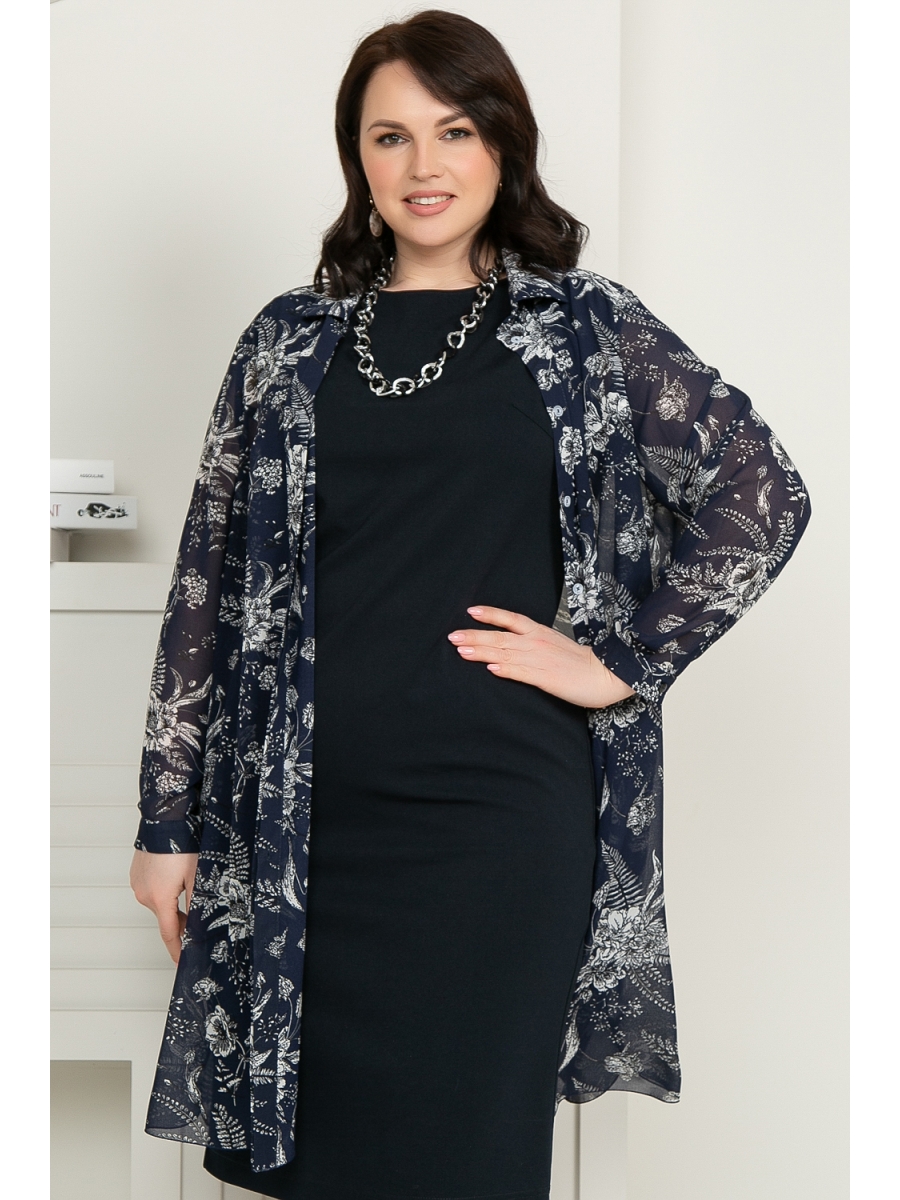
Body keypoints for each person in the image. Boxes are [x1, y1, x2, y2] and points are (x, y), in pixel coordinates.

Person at [129, 10, 810, 1199]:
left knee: (469, 1163)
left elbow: (762, 490)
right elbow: (206, 582)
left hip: (496, 826)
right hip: (302, 830)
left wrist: (624, 660)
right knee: (318, 1170)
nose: (423, 165)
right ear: (358, 159)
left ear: (504, 146)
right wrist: (163, 819)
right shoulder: (287, 343)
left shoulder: (585, 329)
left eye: (455, 131)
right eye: (390, 136)